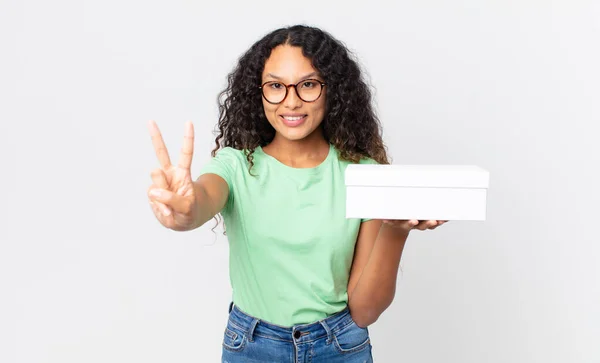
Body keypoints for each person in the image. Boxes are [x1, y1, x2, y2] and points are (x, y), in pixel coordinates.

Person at [147, 25, 446, 363]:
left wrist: (396, 229)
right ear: (258, 92)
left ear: (332, 90)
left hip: (340, 347)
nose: (291, 101)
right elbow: (201, 200)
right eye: (276, 86)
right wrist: (185, 210)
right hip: (252, 347)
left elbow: (364, 310)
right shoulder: (235, 165)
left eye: (307, 85)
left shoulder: (363, 174)